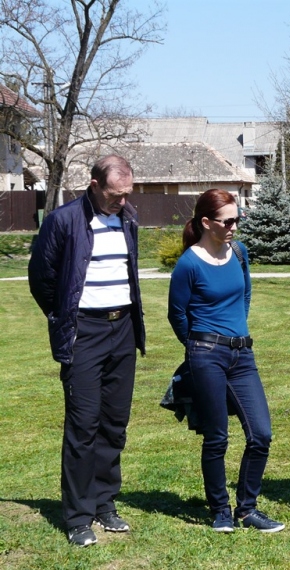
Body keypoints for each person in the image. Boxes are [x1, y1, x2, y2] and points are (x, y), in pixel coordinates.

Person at [29, 155, 146, 547]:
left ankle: (104, 503)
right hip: (85, 331)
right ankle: (78, 517)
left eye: (127, 194)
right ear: (94, 185)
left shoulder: (129, 217)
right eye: (116, 194)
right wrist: (64, 317)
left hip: (123, 329)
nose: (122, 201)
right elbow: (41, 279)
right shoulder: (63, 221)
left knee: (114, 423)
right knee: (83, 425)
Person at [167, 189, 284, 534]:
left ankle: (247, 510)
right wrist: (200, 347)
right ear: (206, 222)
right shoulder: (189, 263)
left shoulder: (240, 253)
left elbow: (244, 295)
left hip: (242, 353)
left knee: (261, 433)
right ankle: (220, 510)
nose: (235, 226)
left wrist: (236, 332)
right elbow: (177, 315)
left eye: (238, 219)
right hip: (206, 355)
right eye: (228, 220)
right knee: (217, 438)